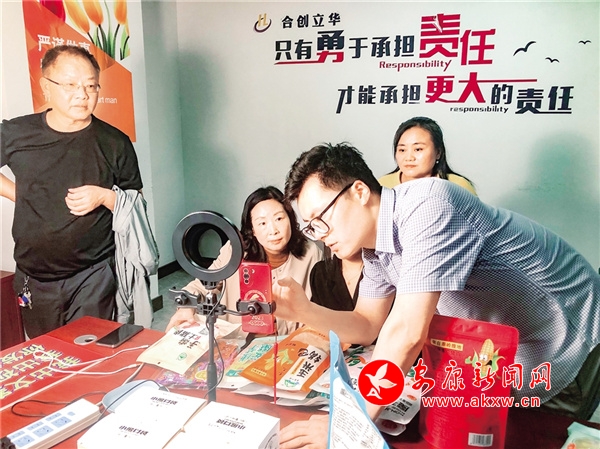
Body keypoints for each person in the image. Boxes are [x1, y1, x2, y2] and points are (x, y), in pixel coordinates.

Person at [274, 143, 600, 448]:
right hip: (496, 357)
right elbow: (367, 323)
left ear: (359, 191)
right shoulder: (374, 248)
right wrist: (303, 311)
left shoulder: (430, 206)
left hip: (564, 344)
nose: (319, 235)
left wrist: (347, 424)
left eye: (321, 218)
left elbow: (407, 332)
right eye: (310, 227)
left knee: (534, 438)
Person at [0, 45, 143, 338]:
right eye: (70, 85)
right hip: (34, 275)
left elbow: (136, 201)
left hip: (93, 273)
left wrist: (104, 196)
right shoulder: (16, 133)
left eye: (91, 86)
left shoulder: (114, 142)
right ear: (46, 87)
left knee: (92, 349)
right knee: (47, 351)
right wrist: (19, 194)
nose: (82, 94)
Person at [166, 186, 322, 336]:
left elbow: (321, 306)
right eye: (262, 223)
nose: (273, 230)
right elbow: (201, 285)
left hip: (288, 343)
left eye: (279, 218)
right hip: (238, 341)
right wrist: (185, 307)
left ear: (290, 219)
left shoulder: (311, 253)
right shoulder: (235, 250)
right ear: (252, 229)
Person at [379, 116, 476, 195]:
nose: (409, 158)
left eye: (418, 149)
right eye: (402, 150)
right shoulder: (382, 185)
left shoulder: (458, 186)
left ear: (438, 152)